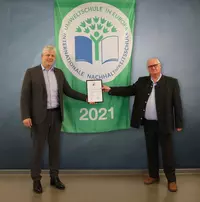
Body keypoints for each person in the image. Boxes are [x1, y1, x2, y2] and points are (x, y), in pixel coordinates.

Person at [102, 58, 183, 192]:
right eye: (150, 66)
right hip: (149, 124)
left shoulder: (171, 82)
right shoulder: (142, 81)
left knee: (167, 153)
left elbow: (177, 104)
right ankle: (153, 176)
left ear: (160, 66)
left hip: (165, 124)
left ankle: (172, 180)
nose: (153, 68)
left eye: (155, 65)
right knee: (151, 151)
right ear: (148, 69)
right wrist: (110, 89)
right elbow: (128, 90)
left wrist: (179, 123)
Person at [20, 45, 92, 194]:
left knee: (55, 149)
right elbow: (25, 96)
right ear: (42, 56)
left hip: (56, 116)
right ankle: (36, 180)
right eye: (48, 55)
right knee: (38, 150)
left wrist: (87, 98)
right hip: (39, 118)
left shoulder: (59, 73)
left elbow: (69, 91)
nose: (50, 58)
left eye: (53, 56)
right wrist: (25, 115)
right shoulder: (31, 72)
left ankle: (54, 178)